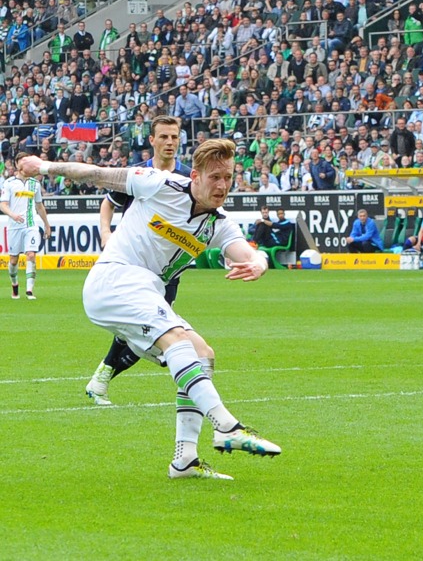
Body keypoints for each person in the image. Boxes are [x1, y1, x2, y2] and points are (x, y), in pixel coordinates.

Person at [18, 140, 282, 480]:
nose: (222, 186)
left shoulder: (218, 223)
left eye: (228, 177)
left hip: (146, 291)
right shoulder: (160, 183)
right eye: (215, 177)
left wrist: (259, 264)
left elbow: (248, 253)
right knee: (178, 342)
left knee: (203, 353)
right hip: (115, 279)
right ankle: (227, 426)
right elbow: (96, 174)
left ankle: (184, 461)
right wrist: (43, 166)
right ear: (196, 176)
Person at [85, 116, 190, 406]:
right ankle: (103, 378)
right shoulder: (137, 175)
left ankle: (102, 377)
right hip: (131, 264)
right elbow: (109, 202)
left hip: (166, 270)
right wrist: (105, 233)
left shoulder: (188, 178)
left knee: (145, 328)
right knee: (147, 327)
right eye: (164, 137)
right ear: (152, 141)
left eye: (174, 137)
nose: (170, 142)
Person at [0, 154, 51, 300]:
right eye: (23, 162)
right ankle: (15, 285)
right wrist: (12, 215)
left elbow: (39, 205)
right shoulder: (9, 183)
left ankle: (29, 290)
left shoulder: (35, 184)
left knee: (31, 255)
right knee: (14, 260)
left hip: (31, 224)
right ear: (18, 165)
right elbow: (3, 204)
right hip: (14, 226)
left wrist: (47, 225)